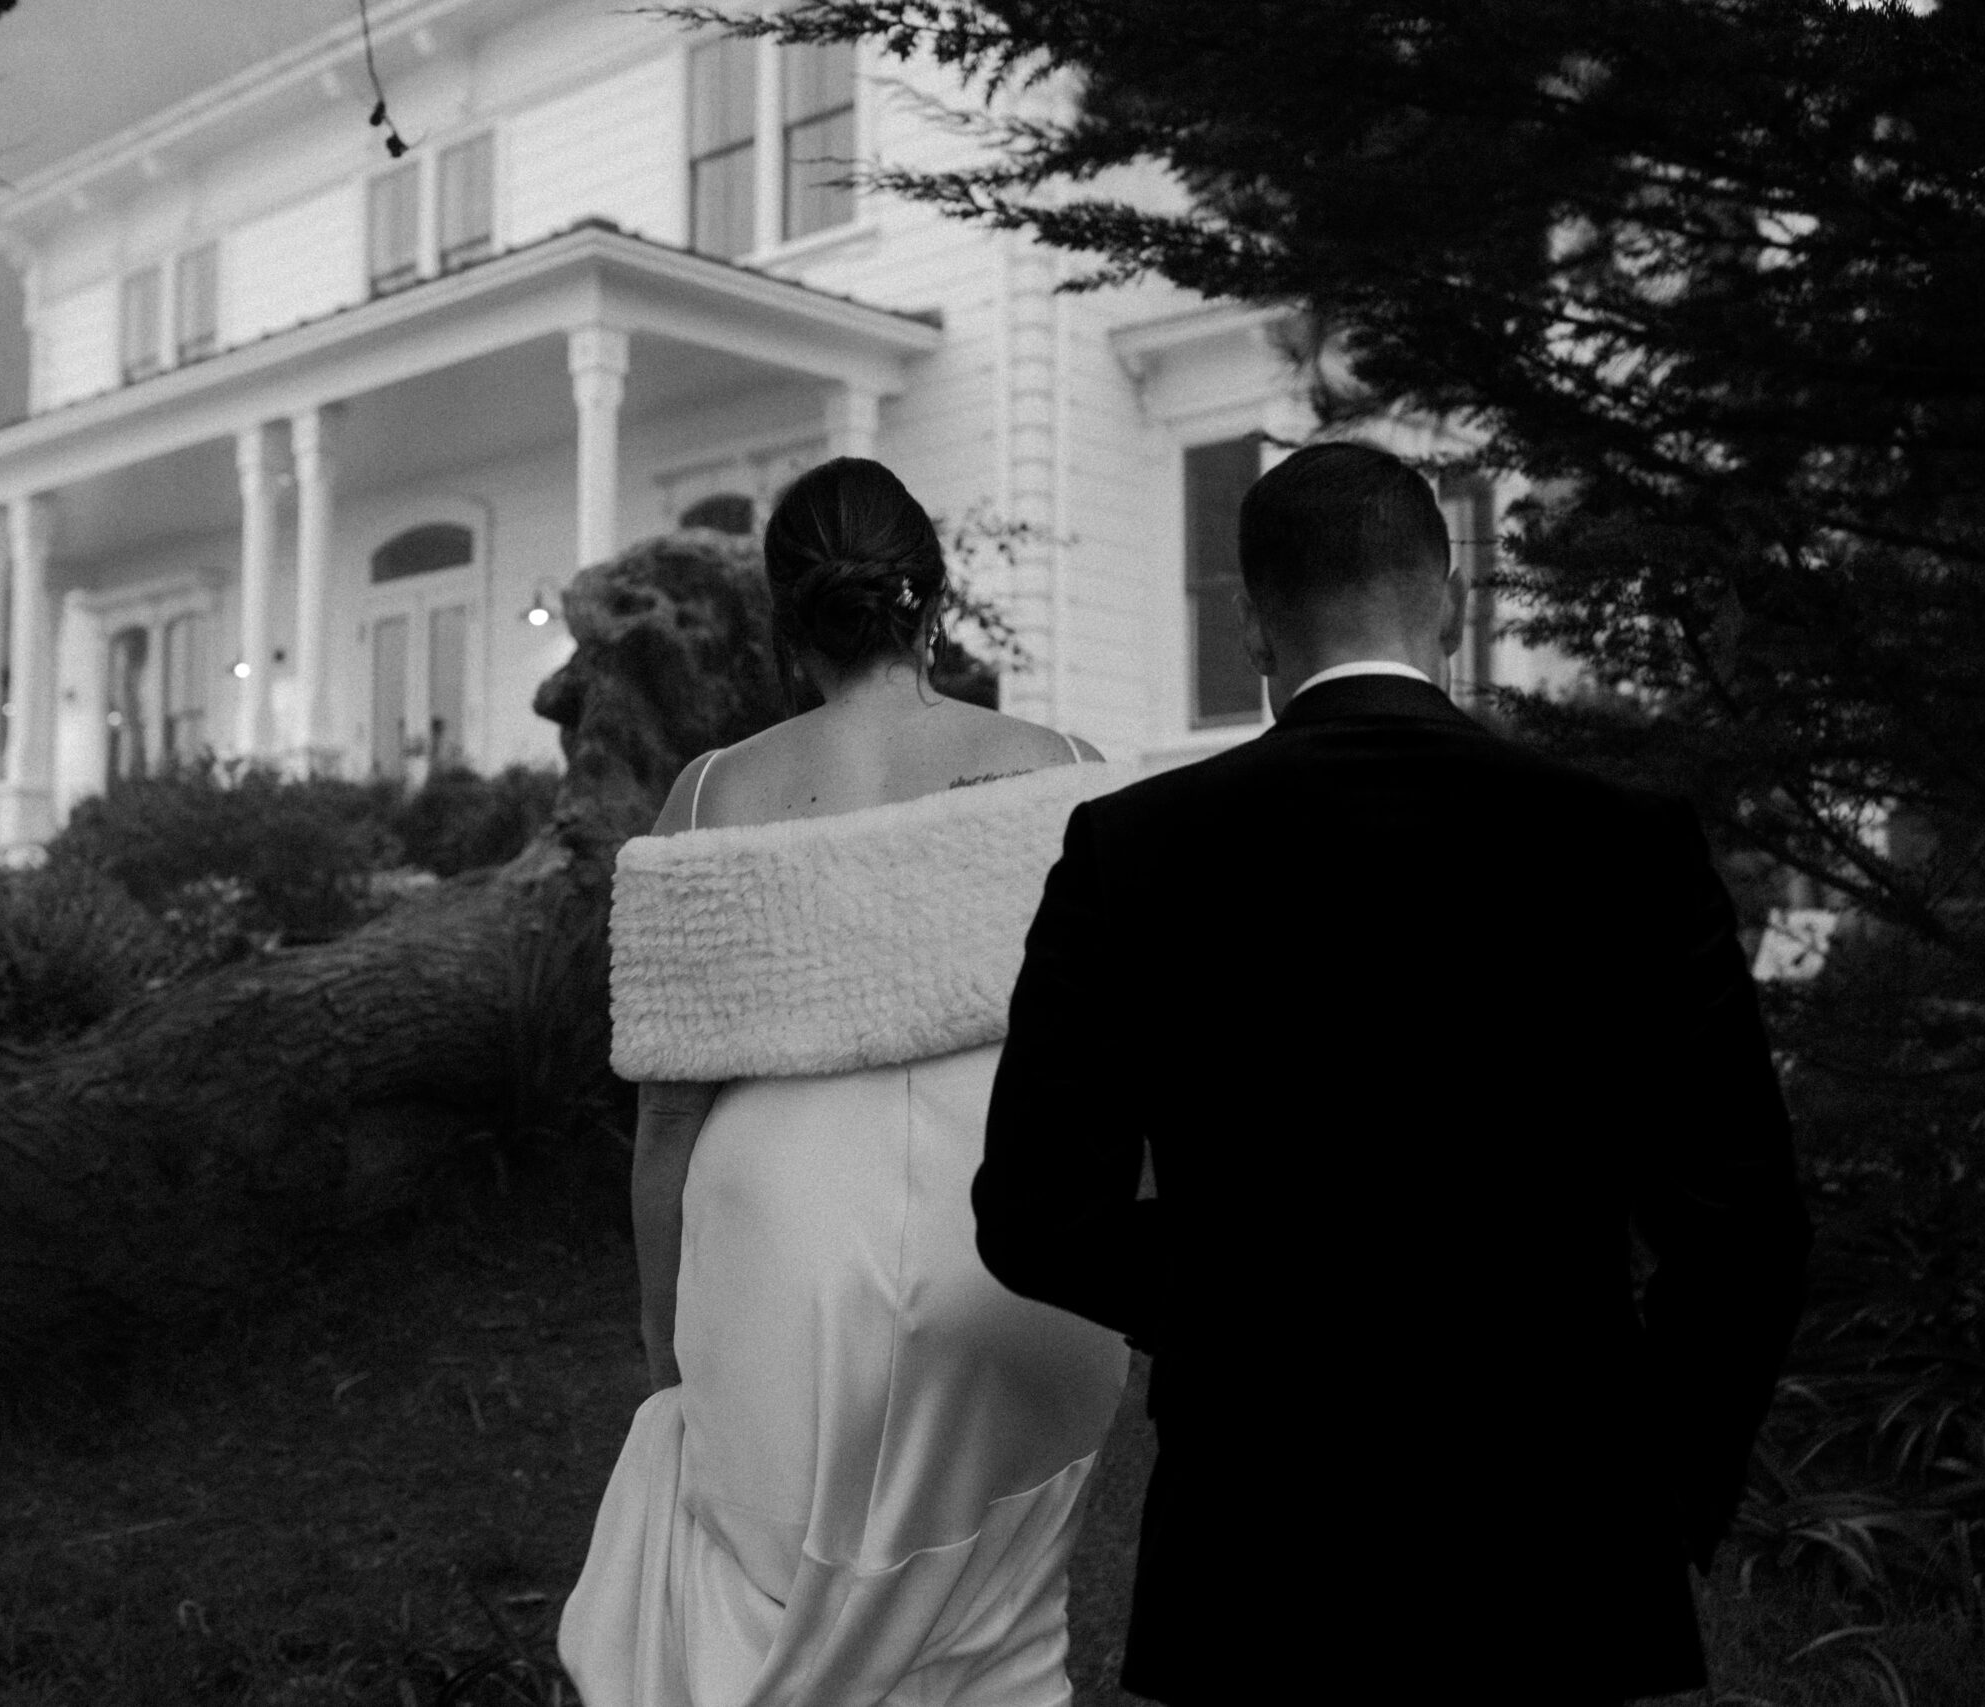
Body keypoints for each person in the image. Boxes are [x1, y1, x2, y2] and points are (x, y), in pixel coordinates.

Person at [976, 441, 1813, 1704]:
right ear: (1454, 607)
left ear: (1256, 633)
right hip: (1571, 1560)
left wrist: (1235, 1298)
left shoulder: (1131, 851)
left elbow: (1035, 1215)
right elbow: (1746, 1227)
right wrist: (1660, 1503)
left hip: (1250, 1553)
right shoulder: (1624, 848)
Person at [559, 457, 1136, 1707]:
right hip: (1027, 1252)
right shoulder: (1071, 769)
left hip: (786, 1273)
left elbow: (666, 1107)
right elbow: (1128, 1059)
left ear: (785, 622)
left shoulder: (711, 798)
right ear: (933, 603)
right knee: (999, 1634)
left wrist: (667, 1335)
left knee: (762, 1610)